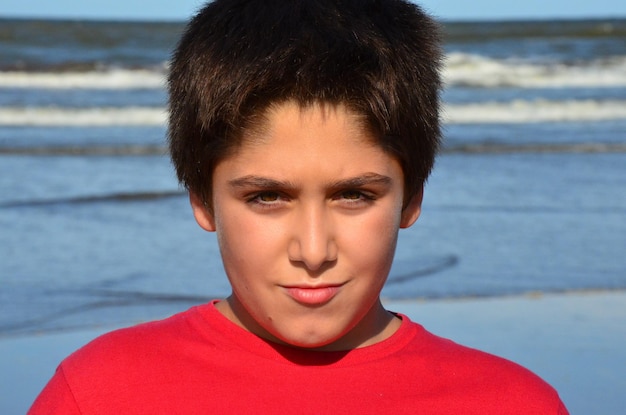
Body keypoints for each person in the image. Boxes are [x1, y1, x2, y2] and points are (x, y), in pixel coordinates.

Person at [29, 0, 569, 413]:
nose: (313, 252)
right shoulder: (102, 392)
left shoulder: (509, 401)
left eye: (354, 195)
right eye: (267, 197)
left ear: (412, 198)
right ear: (202, 199)